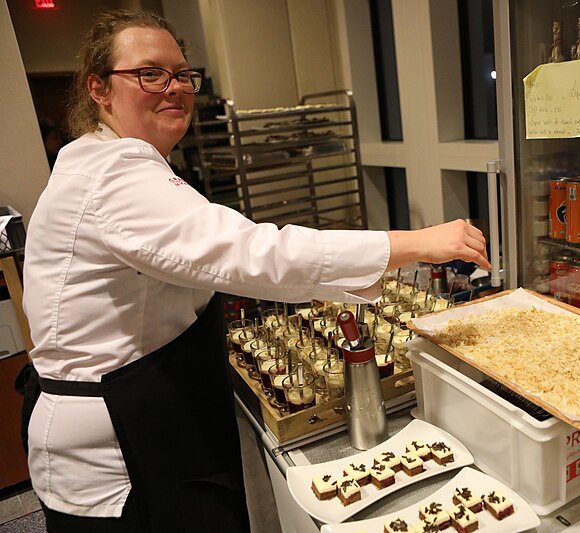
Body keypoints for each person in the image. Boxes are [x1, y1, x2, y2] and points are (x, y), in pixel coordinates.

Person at [21, 9, 489, 533]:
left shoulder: (112, 163)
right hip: (120, 448)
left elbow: (228, 259)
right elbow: (249, 253)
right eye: (149, 73)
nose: (174, 88)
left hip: (144, 411)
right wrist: (413, 243)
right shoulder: (114, 174)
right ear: (100, 89)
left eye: (182, 74)